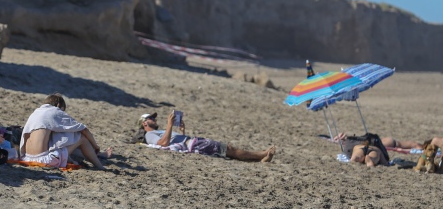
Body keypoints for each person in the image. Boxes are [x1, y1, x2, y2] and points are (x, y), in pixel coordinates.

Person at [139, 111, 276, 162]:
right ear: (144, 123)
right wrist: (169, 125)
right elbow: (163, 143)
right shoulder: (150, 134)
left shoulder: (160, 130)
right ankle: (260, 155)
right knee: (228, 149)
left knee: (227, 152)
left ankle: (259, 159)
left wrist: (182, 131)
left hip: (192, 142)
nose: (155, 119)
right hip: (194, 144)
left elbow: (176, 141)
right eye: (151, 118)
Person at [19, 93, 108, 169]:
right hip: (44, 160)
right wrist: (96, 146)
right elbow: (84, 129)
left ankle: (72, 159)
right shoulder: (55, 111)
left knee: (62, 137)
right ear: (58, 105)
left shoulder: (36, 112)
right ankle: (100, 166)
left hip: (26, 158)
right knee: (81, 138)